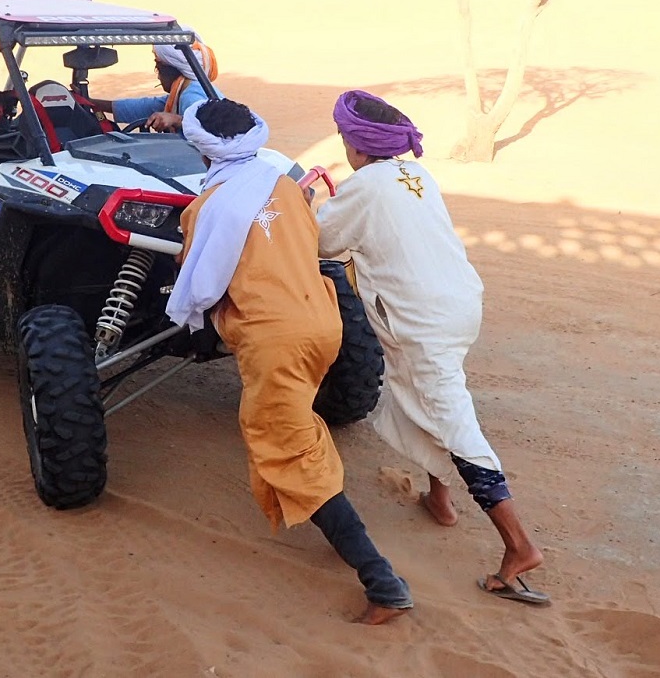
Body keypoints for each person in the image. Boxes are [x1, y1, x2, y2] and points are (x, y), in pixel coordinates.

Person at [168, 97, 413, 624]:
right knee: (300, 423)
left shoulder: (208, 207)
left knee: (283, 442)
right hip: (323, 323)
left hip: (275, 337)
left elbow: (202, 285)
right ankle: (333, 517)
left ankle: (381, 580)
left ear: (199, 145)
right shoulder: (282, 183)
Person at [314, 89, 550, 607]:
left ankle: (519, 546)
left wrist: (306, 205)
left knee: (452, 420)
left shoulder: (365, 187)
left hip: (419, 322)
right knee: (425, 398)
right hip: (459, 307)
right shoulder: (417, 176)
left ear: (356, 144)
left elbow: (322, 243)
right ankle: (440, 501)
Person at [89, 35, 218, 132]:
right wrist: (89, 102)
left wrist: (177, 120)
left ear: (170, 71)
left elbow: (212, 126)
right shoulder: (180, 93)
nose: (157, 74)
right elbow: (144, 107)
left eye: (158, 68)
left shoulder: (191, 95)